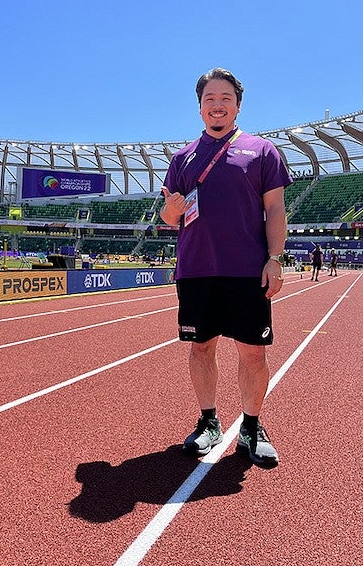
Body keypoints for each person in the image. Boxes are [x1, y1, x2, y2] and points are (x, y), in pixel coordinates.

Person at [161, 67, 292, 467]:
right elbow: (170, 218)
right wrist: (170, 210)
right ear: (200, 107)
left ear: (237, 105)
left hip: (246, 270)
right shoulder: (183, 157)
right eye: (209, 100)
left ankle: (251, 427)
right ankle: (208, 422)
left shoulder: (262, 150)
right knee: (201, 348)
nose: (217, 105)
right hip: (197, 269)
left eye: (225, 99)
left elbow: (274, 208)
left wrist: (275, 258)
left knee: (253, 353)